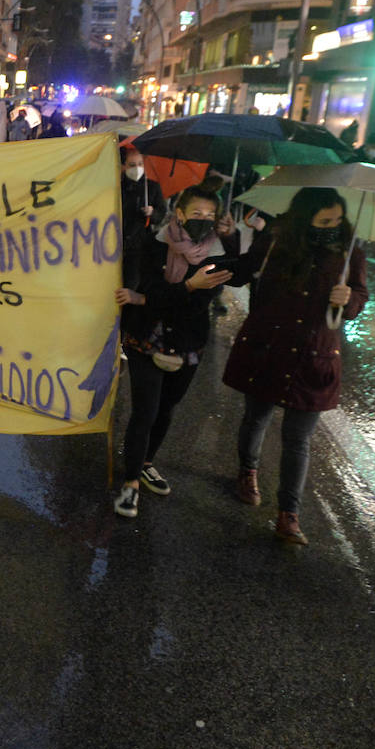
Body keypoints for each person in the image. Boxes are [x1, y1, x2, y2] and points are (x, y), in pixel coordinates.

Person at [222, 188, 368, 544]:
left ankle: (289, 513)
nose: (332, 227)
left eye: (337, 220)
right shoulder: (276, 241)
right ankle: (248, 471)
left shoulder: (351, 253)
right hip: (269, 348)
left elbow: (360, 296)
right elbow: (242, 272)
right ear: (305, 220)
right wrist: (226, 241)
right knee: (257, 417)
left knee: (298, 438)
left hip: (314, 354)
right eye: (323, 222)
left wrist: (348, 300)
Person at [114, 184, 241, 518]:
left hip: (187, 341)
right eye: (196, 213)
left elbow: (198, 304)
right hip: (146, 335)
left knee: (167, 408)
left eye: (209, 215)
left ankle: (145, 462)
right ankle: (130, 484)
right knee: (146, 409)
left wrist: (233, 239)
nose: (203, 220)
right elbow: (150, 288)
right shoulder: (153, 243)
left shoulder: (216, 251)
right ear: (180, 213)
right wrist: (185, 287)